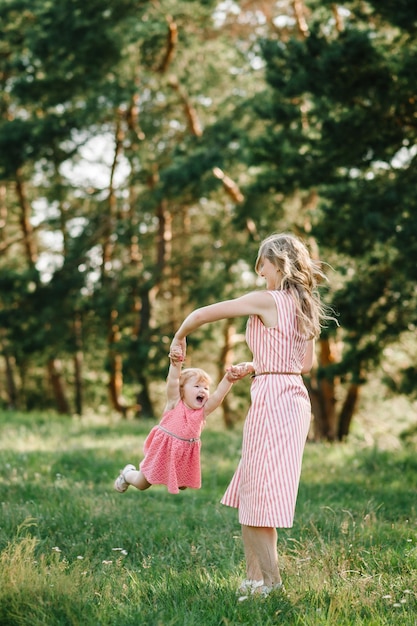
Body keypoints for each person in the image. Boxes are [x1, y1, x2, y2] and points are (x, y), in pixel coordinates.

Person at [170, 232, 334, 599]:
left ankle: (272, 585)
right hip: (292, 397)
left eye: (261, 264)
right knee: (253, 493)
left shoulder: (267, 298)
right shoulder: (304, 303)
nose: (259, 272)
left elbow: (204, 314)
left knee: (259, 497)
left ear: (275, 262)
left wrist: (180, 335)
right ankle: (253, 581)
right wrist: (259, 364)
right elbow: (304, 365)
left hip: (273, 399)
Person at [114, 347, 251, 495]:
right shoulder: (175, 402)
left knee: (182, 485)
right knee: (142, 483)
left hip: (184, 451)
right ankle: (128, 474)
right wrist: (176, 363)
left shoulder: (202, 411)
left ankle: (172, 478)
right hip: (164, 447)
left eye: (205, 388)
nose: (203, 390)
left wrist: (228, 379)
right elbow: (173, 380)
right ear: (182, 390)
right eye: (197, 386)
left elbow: (218, 395)